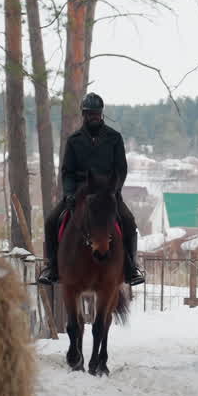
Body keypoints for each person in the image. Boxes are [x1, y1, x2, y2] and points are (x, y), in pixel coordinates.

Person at [37, 92, 146, 286]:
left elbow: (121, 169)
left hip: (108, 194)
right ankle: (52, 268)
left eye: (96, 114)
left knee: (128, 221)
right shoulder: (74, 140)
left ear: (101, 114)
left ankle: (131, 269)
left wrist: (114, 190)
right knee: (51, 221)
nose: (93, 117)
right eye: (89, 114)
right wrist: (69, 194)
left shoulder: (114, 138)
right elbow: (67, 172)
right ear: (83, 114)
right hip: (79, 193)